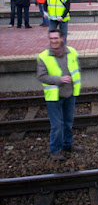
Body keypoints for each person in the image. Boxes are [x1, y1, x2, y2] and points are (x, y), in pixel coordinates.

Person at [37, 29, 84, 161]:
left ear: (61, 38)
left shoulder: (72, 52)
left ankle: (67, 145)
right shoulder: (43, 56)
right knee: (57, 125)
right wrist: (59, 80)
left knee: (68, 122)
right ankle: (55, 150)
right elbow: (41, 76)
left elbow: (77, 68)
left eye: (56, 38)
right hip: (54, 96)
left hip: (70, 93)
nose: (53, 41)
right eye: (51, 38)